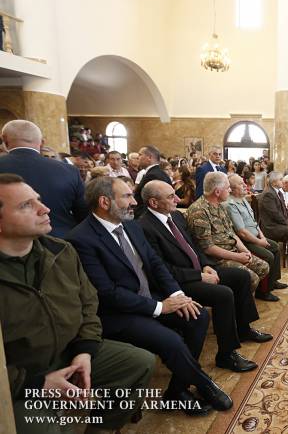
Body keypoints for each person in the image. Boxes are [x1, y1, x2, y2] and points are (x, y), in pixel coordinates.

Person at [0, 174, 155, 433]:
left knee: (139, 363)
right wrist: (37, 384)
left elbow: (88, 303)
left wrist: (84, 349)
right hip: (20, 375)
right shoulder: (76, 241)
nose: (45, 208)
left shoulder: (60, 250)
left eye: (38, 200)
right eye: (26, 205)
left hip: (70, 351)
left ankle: (102, 427)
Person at [66, 177, 233, 416]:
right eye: (126, 197)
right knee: (171, 341)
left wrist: (177, 295)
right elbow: (106, 293)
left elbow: (155, 265)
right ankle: (205, 384)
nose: (134, 202)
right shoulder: (81, 239)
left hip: (150, 298)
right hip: (118, 313)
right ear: (104, 201)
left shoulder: (132, 226)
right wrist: (159, 307)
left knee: (197, 317)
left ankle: (176, 390)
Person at [139, 181, 271, 372]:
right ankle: (226, 354)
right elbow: (161, 268)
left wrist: (206, 265)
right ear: (153, 202)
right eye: (170, 197)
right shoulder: (145, 227)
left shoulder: (175, 216)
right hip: (179, 282)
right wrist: (199, 275)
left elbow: (193, 246)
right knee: (223, 294)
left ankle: (244, 329)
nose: (177, 199)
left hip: (198, 270)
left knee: (240, 277)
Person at [186, 172, 272, 297]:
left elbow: (232, 233)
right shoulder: (199, 211)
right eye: (227, 188)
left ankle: (243, 298)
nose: (230, 190)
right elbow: (208, 248)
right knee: (251, 278)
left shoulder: (219, 206)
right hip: (216, 260)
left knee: (264, 267)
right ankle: (238, 302)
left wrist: (245, 251)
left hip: (232, 251)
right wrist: (237, 257)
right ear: (217, 192)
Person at [0, 120, 88, 238]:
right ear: (41, 142)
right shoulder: (69, 171)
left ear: (4, 139)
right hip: (62, 245)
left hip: (9, 243)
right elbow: (83, 214)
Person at [227, 174, 287, 301]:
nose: (244, 185)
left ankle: (273, 280)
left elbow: (254, 223)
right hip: (246, 241)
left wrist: (262, 237)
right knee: (268, 255)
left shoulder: (243, 199)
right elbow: (242, 232)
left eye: (243, 182)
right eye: (240, 184)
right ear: (232, 188)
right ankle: (263, 292)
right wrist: (259, 242)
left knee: (275, 247)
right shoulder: (230, 204)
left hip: (256, 236)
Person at [133, 145, 171, 218]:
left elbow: (150, 201)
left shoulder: (153, 175)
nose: (138, 158)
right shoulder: (158, 172)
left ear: (149, 157)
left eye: (140, 155)